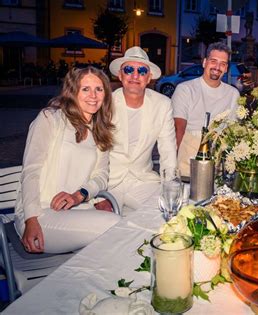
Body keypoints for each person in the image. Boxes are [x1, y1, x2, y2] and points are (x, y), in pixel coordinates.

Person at [15, 66, 121, 254]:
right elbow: (31, 170)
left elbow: (101, 176)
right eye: (85, 89)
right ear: (73, 92)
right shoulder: (51, 119)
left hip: (78, 210)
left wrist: (79, 195)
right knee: (115, 226)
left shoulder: (100, 130)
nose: (93, 95)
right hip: (41, 214)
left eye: (99, 89)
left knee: (120, 230)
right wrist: (30, 220)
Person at [102, 46, 177, 213]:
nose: (135, 75)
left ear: (149, 77)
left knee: (167, 213)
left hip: (143, 181)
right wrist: (96, 193)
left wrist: (170, 187)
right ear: (120, 75)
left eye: (142, 71)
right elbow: (93, 151)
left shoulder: (162, 104)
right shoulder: (104, 103)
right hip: (108, 184)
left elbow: (168, 150)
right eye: (129, 69)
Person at [172, 42, 239, 177]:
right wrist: (174, 162)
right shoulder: (186, 89)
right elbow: (179, 128)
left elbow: (232, 130)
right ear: (204, 62)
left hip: (218, 158)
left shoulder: (232, 93)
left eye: (222, 63)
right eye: (213, 61)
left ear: (226, 68)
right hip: (189, 154)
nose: (217, 67)